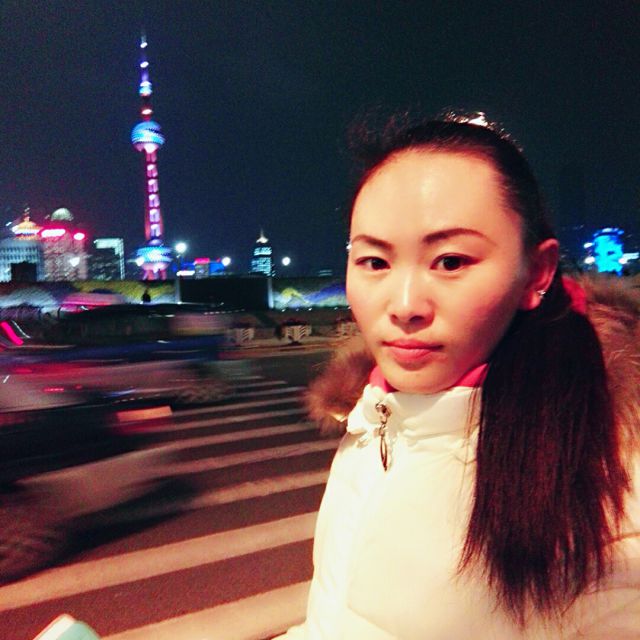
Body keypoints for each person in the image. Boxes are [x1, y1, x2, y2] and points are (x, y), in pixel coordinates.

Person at [275, 113, 640, 638]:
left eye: (449, 262)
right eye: (375, 262)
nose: (404, 305)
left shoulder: (611, 486)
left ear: (536, 273)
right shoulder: (374, 420)